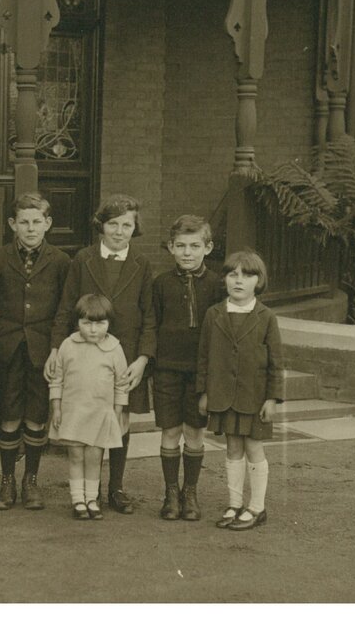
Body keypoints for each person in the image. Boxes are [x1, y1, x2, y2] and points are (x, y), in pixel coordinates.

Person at [47, 193, 156, 514]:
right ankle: (84, 493)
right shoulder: (83, 259)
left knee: (120, 421)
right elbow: (66, 308)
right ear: (101, 226)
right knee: (85, 423)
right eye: (113, 224)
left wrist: (143, 359)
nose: (119, 231)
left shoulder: (142, 263)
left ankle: (116, 488)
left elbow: (149, 315)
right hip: (85, 356)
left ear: (135, 228)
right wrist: (55, 348)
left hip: (124, 357)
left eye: (127, 225)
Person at [0, 192, 70, 510]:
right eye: (24, 222)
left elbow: (64, 310)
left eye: (37, 222)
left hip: (42, 352)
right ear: (13, 224)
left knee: (36, 417)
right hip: (8, 348)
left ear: (48, 224)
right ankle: (7, 482)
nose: (30, 228)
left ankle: (31, 480)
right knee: (8, 416)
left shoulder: (61, 261)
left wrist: (55, 348)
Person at [197, 250, 284, 531]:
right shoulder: (214, 314)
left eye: (247, 275)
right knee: (232, 447)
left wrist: (272, 398)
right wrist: (204, 392)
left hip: (253, 396)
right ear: (224, 279)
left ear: (259, 281)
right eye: (233, 274)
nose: (239, 281)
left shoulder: (266, 316)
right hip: (223, 394)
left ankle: (257, 507)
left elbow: (276, 362)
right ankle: (235, 504)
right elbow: (204, 356)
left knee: (253, 447)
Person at [152, 215, 224, 521]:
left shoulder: (218, 285)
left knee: (194, 431)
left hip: (200, 371)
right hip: (167, 368)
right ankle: (171, 493)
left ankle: (190, 492)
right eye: (180, 246)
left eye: (195, 246)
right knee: (170, 430)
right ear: (170, 247)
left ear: (208, 247)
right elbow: (152, 324)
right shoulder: (161, 284)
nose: (187, 252)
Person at [48, 294, 129, 520]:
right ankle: (78, 500)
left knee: (94, 457)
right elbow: (57, 379)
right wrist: (57, 408)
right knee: (75, 456)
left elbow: (121, 384)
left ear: (109, 323)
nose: (93, 330)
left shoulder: (114, 348)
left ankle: (92, 499)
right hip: (74, 412)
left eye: (100, 324)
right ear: (78, 323)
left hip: (100, 414)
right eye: (87, 323)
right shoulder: (68, 345)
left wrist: (117, 412)